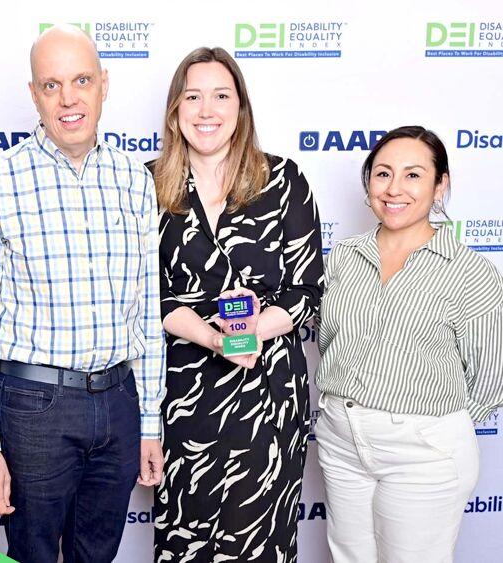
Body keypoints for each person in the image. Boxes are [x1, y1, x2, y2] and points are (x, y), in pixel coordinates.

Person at [0, 25, 166, 563]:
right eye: (52, 85)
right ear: (33, 95)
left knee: (97, 554)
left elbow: (147, 311)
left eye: (81, 80)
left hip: (120, 401)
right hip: (34, 407)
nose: (69, 98)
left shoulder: (134, 181)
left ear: (104, 85)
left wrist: (148, 423)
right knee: (32, 554)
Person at [150, 47, 324, 561]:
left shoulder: (284, 180)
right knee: (187, 541)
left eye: (221, 96)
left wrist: (254, 331)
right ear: (175, 111)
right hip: (183, 398)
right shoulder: (146, 184)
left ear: (241, 109)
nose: (207, 111)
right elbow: (140, 294)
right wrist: (211, 336)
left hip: (269, 394)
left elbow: (307, 290)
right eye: (193, 97)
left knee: (262, 543)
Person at [315, 125, 503, 563]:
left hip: (424, 452)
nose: (394, 188)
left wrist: (430, 429)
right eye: (383, 174)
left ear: (441, 185)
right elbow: (331, 342)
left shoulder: (470, 272)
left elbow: (491, 377)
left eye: (413, 175)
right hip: (342, 440)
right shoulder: (344, 255)